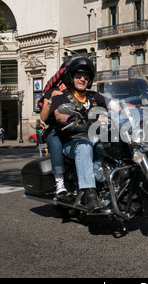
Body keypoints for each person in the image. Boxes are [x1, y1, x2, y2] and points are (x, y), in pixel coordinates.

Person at [48, 57, 107, 211]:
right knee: (84, 147)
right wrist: (71, 118)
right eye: (79, 76)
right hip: (73, 143)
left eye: (86, 77)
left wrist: (137, 107)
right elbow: (59, 115)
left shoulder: (95, 97)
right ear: (71, 77)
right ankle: (90, 194)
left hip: (96, 138)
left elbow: (115, 105)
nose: (82, 79)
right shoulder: (62, 97)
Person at [39, 61, 70, 195]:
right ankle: (59, 182)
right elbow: (44, 117)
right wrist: (51, 99)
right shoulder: (52, 91)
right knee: (56, 143)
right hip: (56, 129)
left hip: (76, 128)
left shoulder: (79, 92)